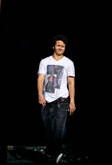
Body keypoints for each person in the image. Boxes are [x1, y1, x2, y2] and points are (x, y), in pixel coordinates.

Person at [37, 35, 76, 163]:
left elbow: (71, 82)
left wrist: (72, 101)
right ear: (53, 46)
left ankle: (55, 154)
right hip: (47, 100)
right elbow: (41, 78)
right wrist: (40, 95)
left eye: (63, 46)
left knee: (58, 128)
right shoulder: (44, 61)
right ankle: (51, 151)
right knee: (48, 127)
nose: (60, 48)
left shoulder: (68, 63)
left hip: (62, 101)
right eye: (58, 45)